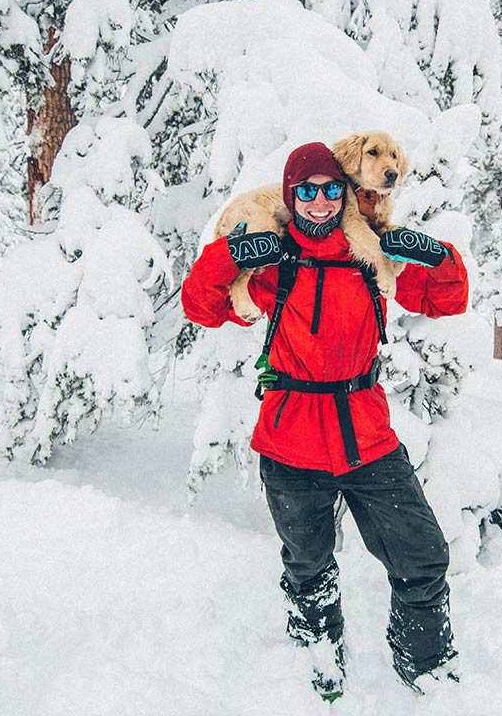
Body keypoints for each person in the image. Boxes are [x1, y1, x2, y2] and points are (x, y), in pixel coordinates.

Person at [181, 141, 469, 699]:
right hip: (291, 443)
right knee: (308, 564)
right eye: (307, 191)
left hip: (367, 436)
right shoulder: (276, 261)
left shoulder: (372, 256)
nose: (319, 201)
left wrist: (435, 254)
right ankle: (320, 653)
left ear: (345, 195)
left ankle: (424, 661)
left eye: (330, 190)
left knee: (423, 553)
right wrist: (233, 255)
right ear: (292, 196)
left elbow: (447, 300)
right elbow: (203, 308)